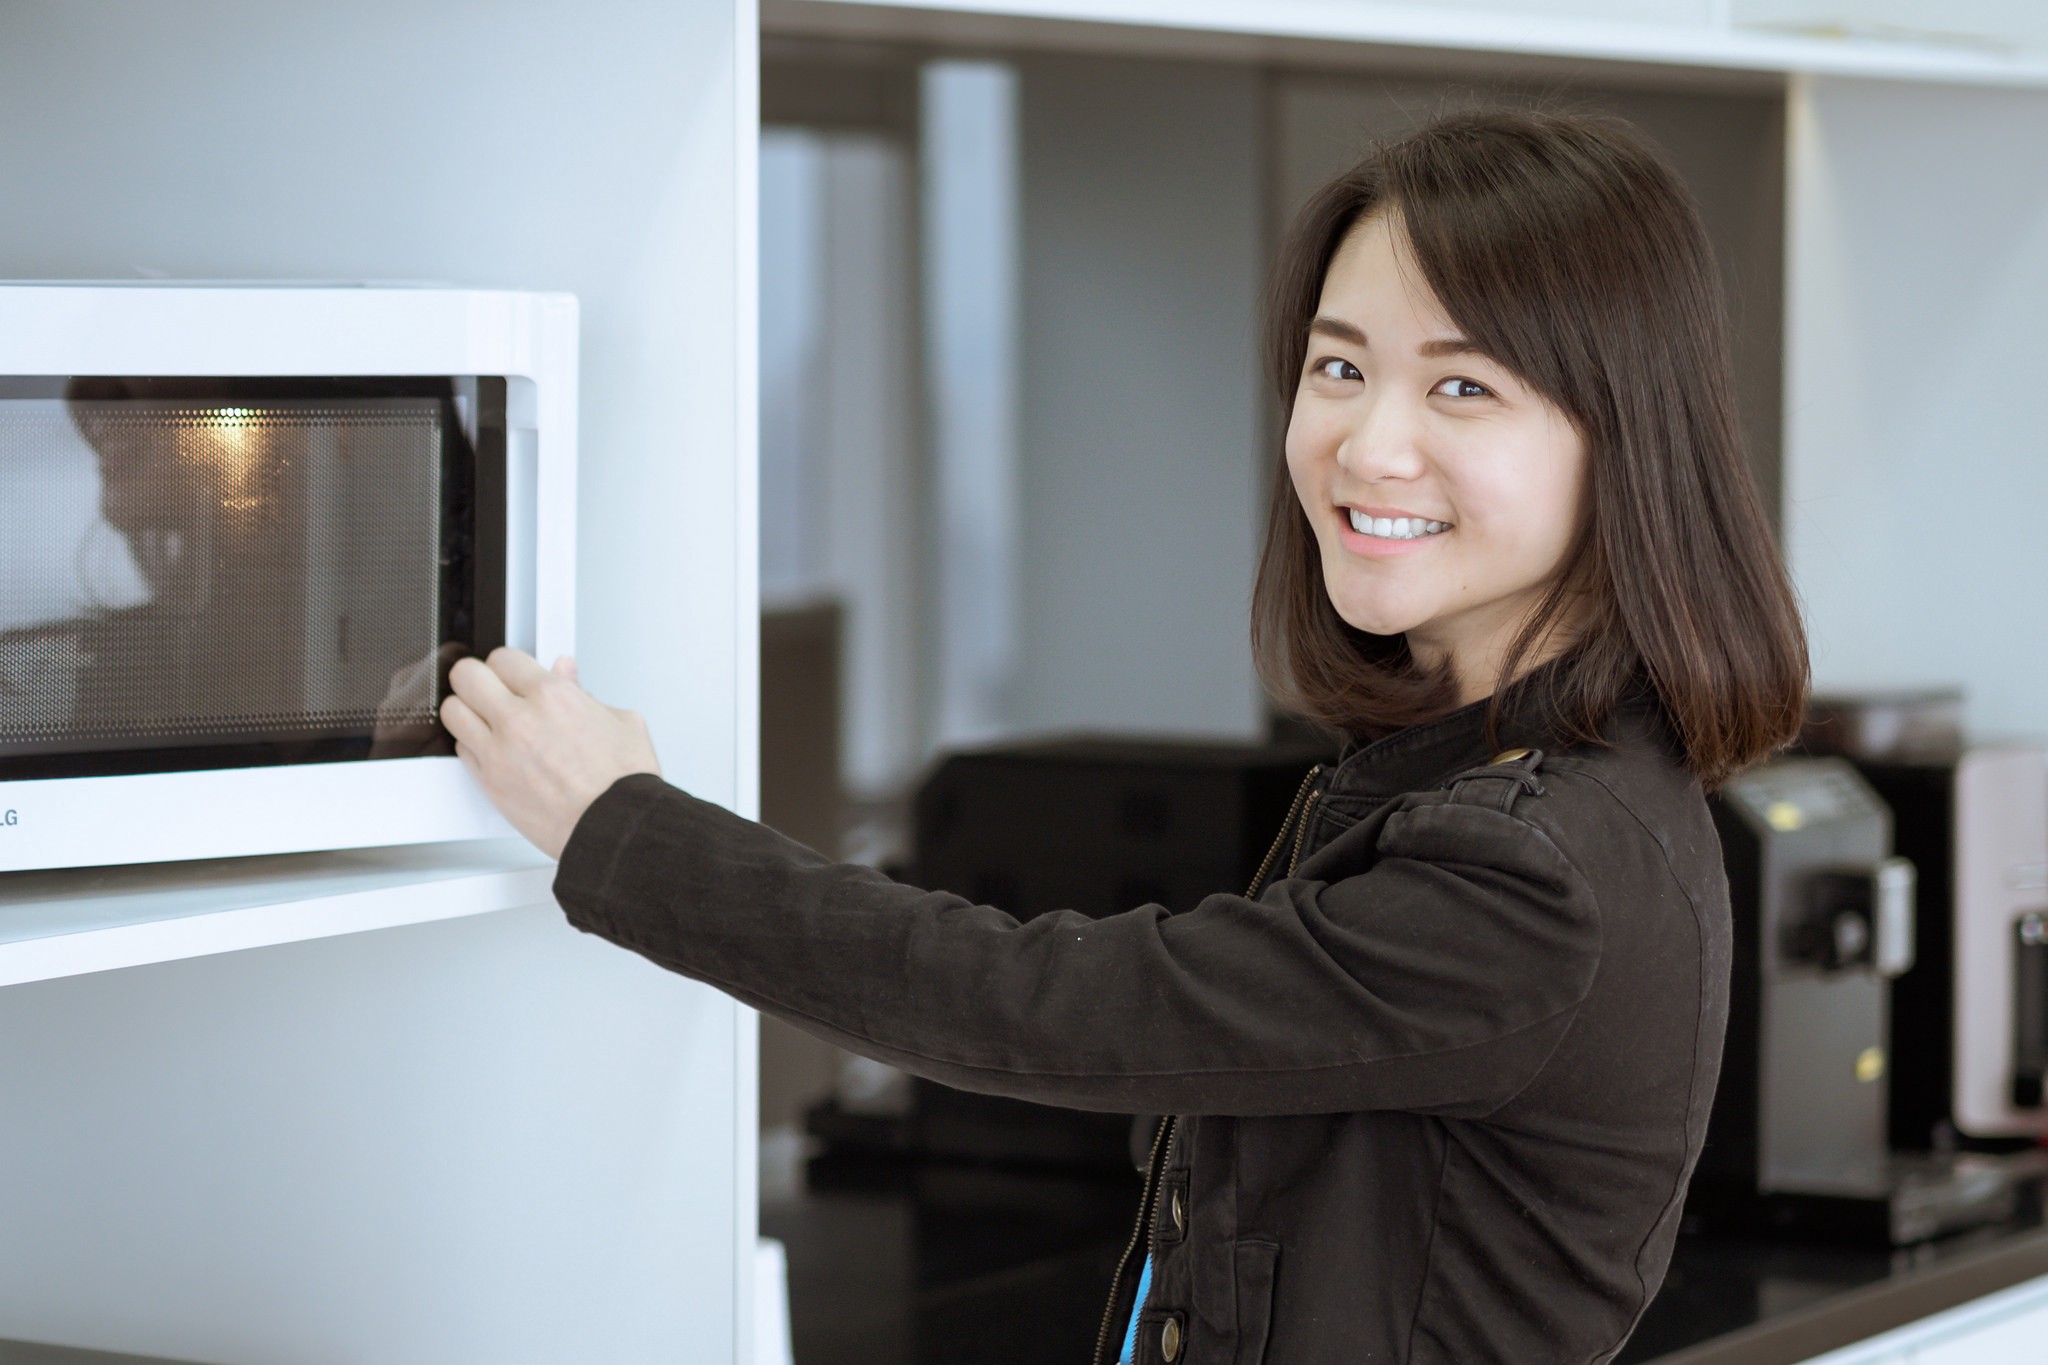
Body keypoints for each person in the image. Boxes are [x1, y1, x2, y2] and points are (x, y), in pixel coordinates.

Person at [443, 107, 1807, 1365]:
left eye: (1463, 389)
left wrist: (619, 822)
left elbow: (1044, 1006)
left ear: (1622, 436)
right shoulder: (1503, 779)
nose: (1366, 444)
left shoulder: (1534, 872)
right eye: (1340, 366)